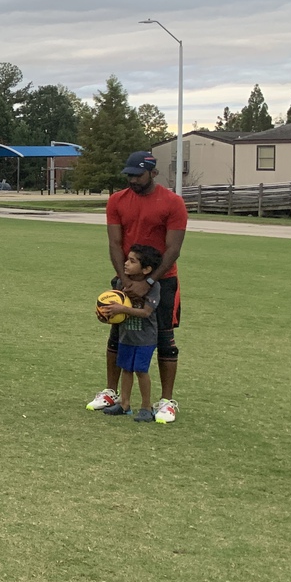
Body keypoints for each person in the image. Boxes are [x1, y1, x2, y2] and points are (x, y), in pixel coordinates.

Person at [86, 151, 187, 423]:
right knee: (119, 332)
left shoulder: (173, 202)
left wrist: (150, 282)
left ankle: (166, 401)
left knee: (164, 338)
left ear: (153, 173)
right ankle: (112, 393)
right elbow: (115, 243)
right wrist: (125, 280)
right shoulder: (117, 200)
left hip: (163, 280)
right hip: (127, 278)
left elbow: (173, 249)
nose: (132, 180)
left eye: (138, 175)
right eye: (129, 175)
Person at [97, 244, 164, 421]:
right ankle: (124, 404)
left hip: (145, 338)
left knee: (141, 371)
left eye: (132, 261)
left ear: (146, 269)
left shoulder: (154, 287)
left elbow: (146, 312)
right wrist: (105, 314)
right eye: (127, 259)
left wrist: (121, 309)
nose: (126, 263)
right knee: (126, 369)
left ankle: (146, 407)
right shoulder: (121, 283)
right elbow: (114, 307)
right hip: (126, 336)